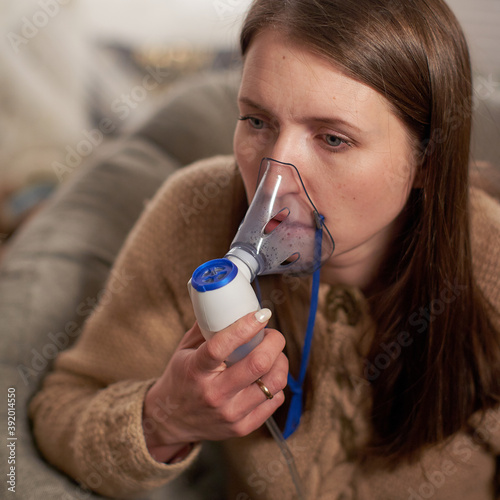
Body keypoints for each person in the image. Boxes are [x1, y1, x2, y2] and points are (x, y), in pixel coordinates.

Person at [30, 0, 500, 498]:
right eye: (257, 121)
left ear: (427, 158)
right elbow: (61, 411)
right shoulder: (192, 218)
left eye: (334, 139)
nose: (275, 176)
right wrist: (164, 417)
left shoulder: (489, 262)